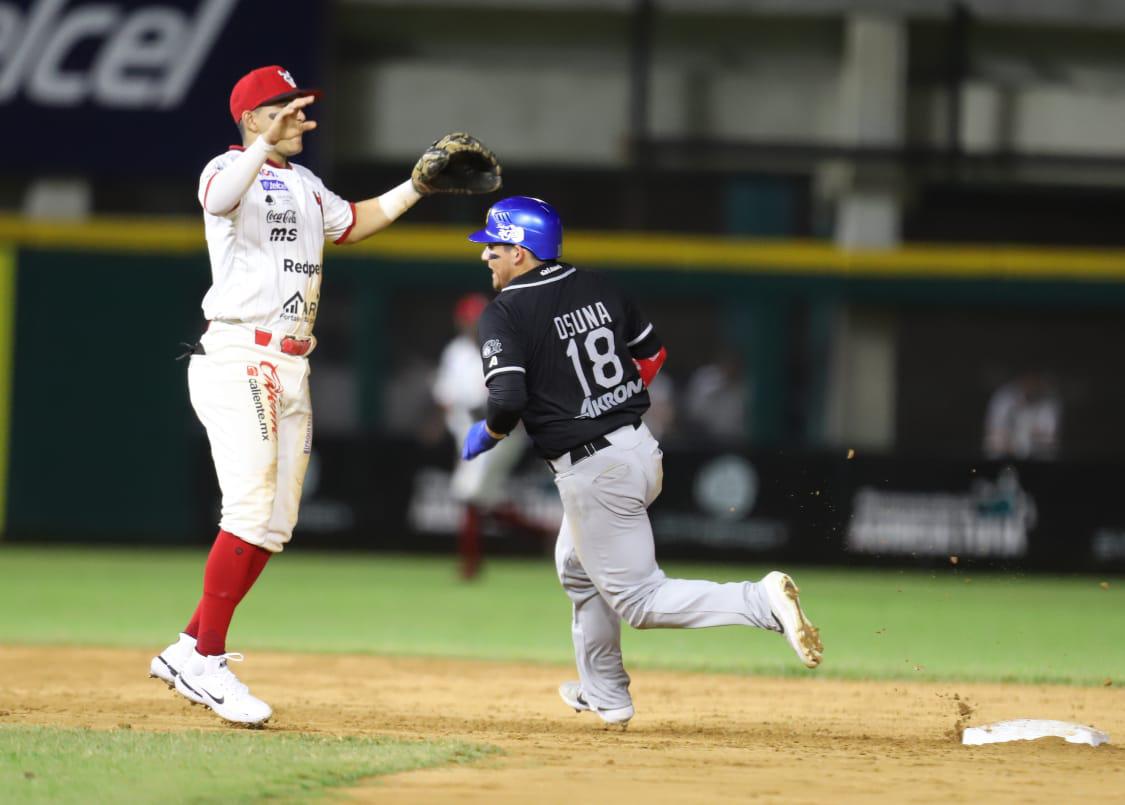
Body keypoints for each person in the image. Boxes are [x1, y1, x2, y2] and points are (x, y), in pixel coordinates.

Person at [149, 65, 499, 726]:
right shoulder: (225, 169)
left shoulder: (306, 183)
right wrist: (259, 144)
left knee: (274, 524)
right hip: (240, 354)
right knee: (248, 509)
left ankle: (190, 646)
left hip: (291, 362)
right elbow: (218, 199)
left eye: (298, 106)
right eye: (279, 108)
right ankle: (207, 659)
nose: (296, 117)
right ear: (250, 120)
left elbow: (353, 223)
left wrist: (418, 186)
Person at [460, 196, 823, 727]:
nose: (485, 255)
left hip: (594, 469)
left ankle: (758, 602)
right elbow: (651, 355)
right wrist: (608, 405)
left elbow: (508, 399)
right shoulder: (598, 285)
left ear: (520, 251)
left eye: (493, 245)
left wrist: (490, 431)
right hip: (638, 447)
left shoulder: (504, 312)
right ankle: (605, 693)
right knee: (577, 569)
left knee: (641, 601)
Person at [432, 294, 538, 579]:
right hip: (468, 433)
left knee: (468, 493)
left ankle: (470, 564)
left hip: (499, 432)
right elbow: (445, 396)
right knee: (484, 499)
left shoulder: (502, 346)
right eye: (469, 320)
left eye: (477, 320)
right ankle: (543, 535)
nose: (473, 325)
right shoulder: (455, 352)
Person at [983, 371, 1061, 460]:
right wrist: (1014, 446)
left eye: (1034, 379)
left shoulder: (1050, 401)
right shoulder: (1003, 397)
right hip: (1005, 456)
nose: (1030, 384)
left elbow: (1049, 439)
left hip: (1038, 459)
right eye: (1027, 379)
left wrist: (1025, 443)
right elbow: (993, 436)